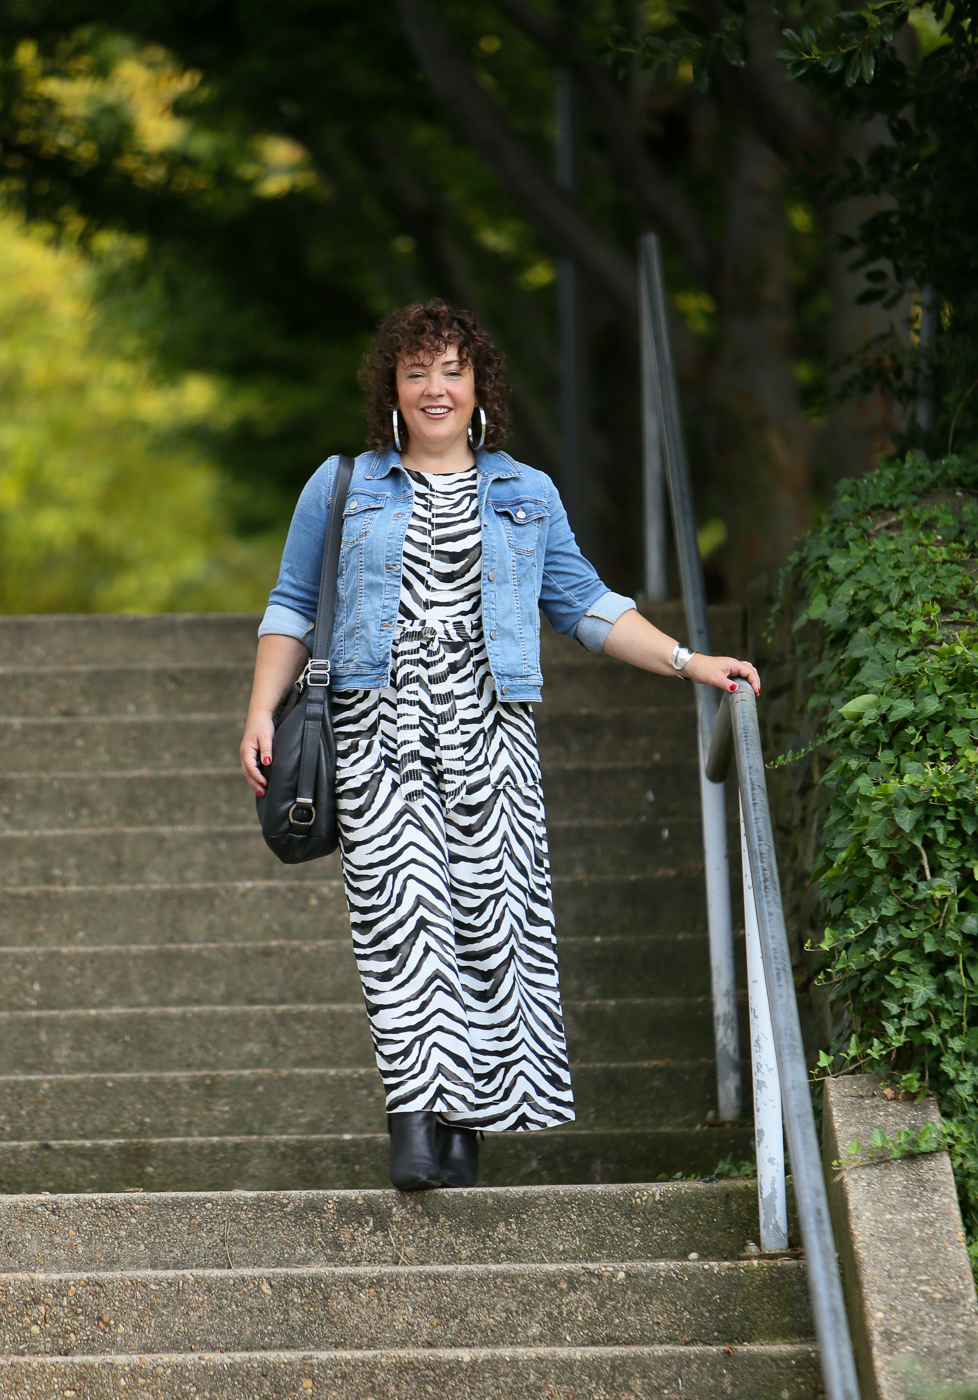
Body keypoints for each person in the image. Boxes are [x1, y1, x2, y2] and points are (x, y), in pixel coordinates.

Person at [240, 301, 760, 1192]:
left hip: (491, 739)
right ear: (391, 392)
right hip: (377, 733)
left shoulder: (527, 494)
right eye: (415, 374)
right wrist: (260, 709)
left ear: (479, 384)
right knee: (399, 924)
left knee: (489, 929)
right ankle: (412, 1120)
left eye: (451, 370)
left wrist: (688, 660)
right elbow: (292, 605)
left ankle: (465, 1125)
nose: (434, 389)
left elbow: (588, 606)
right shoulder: (342, 486)